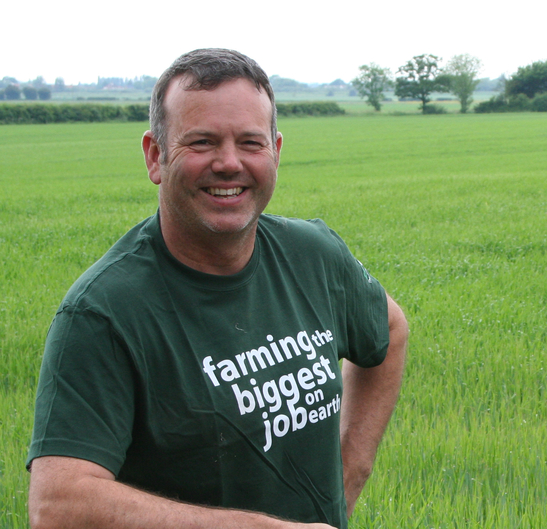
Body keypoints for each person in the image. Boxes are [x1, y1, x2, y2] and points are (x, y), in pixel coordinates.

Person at [26, 48, 408, 529]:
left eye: (251, 143)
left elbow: (389, 331)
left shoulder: (313, 255)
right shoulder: (105, 311)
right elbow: (57, 505)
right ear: (155, 155)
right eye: (202, 142)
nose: (229, 164)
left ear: (276, 150)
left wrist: (348, 474)